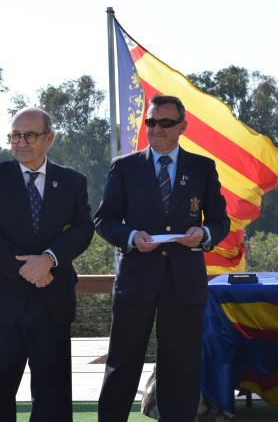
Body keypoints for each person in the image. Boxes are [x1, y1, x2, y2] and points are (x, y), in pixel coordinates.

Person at [95, 95, 230, 421]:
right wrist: (130, 237)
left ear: (182, 127)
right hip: (136, 281)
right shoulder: (124, 167)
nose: (155, 129)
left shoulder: (202, 168)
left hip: (183, 285)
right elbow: (104, 220)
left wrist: (205, 234)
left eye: (165, 123)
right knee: (123, 364)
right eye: (151, 122)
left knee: (180, 368)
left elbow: (219, 222)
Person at [0, 107, 94, 421]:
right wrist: (29, 270)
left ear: (49, 138)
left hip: (52, 304)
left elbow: (84, 229)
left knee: (52, 400)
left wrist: (49, 260)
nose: (21, 142)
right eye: (15, 135)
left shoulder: (72, 182)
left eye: (29, 135)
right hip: (4, 306)